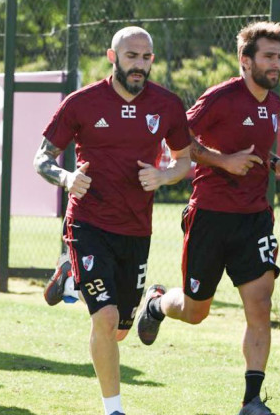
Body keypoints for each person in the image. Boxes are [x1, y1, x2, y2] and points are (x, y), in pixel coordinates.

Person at [135, 21, 280, 415]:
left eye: (279, 57)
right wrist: (223, 161)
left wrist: (276, 164)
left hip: (254, 219)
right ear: (245, 60)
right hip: (209, 216)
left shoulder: (273, 103)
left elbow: (254, 149)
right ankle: (157, 303)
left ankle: (252, 401)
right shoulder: (220, 98)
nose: (276, 65)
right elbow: (177, 139)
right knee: (195, 312)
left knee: (260, 303)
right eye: (268, 57)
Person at [33, 26, 192, 415]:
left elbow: (184, 160)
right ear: (112, 57)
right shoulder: (81, 102)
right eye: (131, 56)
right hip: (88, 222)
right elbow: (41, 159)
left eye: (146, 57)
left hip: (136, 228)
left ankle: (70, 274)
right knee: (103, 319)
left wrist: (164, 176)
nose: (139, 65)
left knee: (120, 330)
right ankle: (114, 409)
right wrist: (67, 178)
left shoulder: (167, 105)